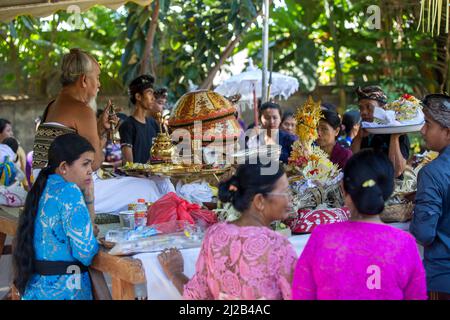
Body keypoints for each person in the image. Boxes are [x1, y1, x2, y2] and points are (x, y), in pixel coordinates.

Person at [31, 48, 174, 214]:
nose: (99, 84)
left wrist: (99, 128)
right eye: (97, 78)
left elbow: (74, 147)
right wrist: (104, 133)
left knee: (143, 184)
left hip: (43, 187)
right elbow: (96, 162)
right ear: (84, 80)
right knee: (149, 188)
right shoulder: (82, 110)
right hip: (66, 192)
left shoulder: (52, 105)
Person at [292, 150, 427, 300]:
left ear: (343, 188)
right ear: (389, 190)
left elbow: (301, 294)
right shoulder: (404, 244)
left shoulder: (322, 238)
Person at [157, 162, 298, 300]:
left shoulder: (215, 234)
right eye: (284, 192)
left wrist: (175, 274)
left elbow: (198, 295)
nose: (290, 198)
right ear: (260, 200)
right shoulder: (279, 246)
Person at [13, 134, 99, 300]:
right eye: (85, 163)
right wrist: (91, 237)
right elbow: (86, 253)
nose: (90, 170)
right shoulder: (69, 191)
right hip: (65, 291)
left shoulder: (42, 187)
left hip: (35, 291)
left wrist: (88, 196)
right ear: (64, 167)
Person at [410, 93, 450, 300]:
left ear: (448, 132)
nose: (422, 130)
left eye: (428, 124)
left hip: (443, 279)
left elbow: (424, 233)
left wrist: (414, 212)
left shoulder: (433, 172)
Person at [351, 86, 410, 177]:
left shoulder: (399, 133)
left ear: (383, 108)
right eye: (361, 108)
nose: (364, 112)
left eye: (369, 107)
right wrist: (359, 136)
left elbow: (397, 171)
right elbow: (353, 161)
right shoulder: (363, 132)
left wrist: (394, 137)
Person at [119, 75, 161, 164]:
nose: (153, 98)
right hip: (136, 177)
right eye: (149, 93)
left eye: (153, 94)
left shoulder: (153, 123)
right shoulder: (127, 125)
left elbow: (159, 155)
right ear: (138, 96)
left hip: (154, 176)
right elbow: (129, 164)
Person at [1, 118, 28, 188]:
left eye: (11, 130)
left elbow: (24, 172)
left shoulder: (18, 150)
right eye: (8, 130)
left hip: (13, 192)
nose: (11, 133)